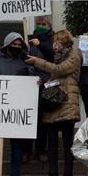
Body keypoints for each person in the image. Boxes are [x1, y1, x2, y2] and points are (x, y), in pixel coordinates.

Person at [25, 30, 82, 176]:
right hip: (52, 104)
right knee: (52, 146)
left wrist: (37, 61)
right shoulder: (54, 57)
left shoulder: (75, 55)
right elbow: (52, 74)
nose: (54, 45)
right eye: (54, 43)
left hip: (67, 104)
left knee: (67, 145)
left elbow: (60, 70)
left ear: (64, 43)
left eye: (56, 42)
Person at [0, 32, 36, 176]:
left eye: (20, 45)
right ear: (6, 45)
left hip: (17, 110)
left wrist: (34, 78)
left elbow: (33, 82)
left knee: (18, 146)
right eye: (14, 44)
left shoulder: (25, 61)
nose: (17, 47)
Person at [26, 15, 55, 164]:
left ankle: (41, 149)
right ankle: (27, 150)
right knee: (30, 117)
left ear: (49, 25)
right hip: (32, 83)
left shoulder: (54, 40)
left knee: (45, 119)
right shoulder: (29, 40)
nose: (41, 25)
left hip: (49, 83)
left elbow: (54, 57)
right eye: (38, 23)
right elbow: (27, 61)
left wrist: (40, 45)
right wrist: (32, 77)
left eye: (44, 23)